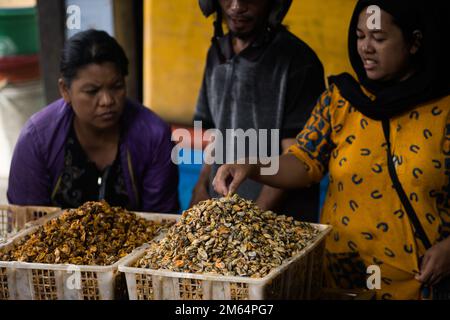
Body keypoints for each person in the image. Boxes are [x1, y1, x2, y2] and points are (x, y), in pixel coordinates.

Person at [213, 0, 450, 299]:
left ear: (414, 42)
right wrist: (251, 166)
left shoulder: (443, 111)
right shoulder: (341, 100)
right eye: (360, 36)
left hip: (418, 283)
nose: (366, 48)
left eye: (378, 39)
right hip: (341, 280)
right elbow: (303, 162)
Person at [7, 30, 179, 213]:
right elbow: (25, 219)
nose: (107, 100)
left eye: (117, 87)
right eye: (92, 91)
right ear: (65, 90)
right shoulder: (37, 139)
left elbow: (161, 220)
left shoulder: (154, 136)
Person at [192, 0, 325, 222]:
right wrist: (201, 186)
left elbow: (297, 155)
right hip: (226, 219)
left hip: (278, 224)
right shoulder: (216, 53)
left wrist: (254, 220)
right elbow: (219, 133)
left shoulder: (298, 61)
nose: (236, 7)